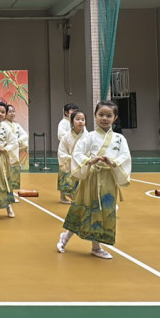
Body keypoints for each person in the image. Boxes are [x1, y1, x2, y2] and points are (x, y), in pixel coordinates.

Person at [56, 100, 131, 260]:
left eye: (109, 115)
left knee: (104, 211)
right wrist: (89, 161)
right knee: (83, 209)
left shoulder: (119, 139)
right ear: (95, 116)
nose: (104, 118)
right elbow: (77, 153)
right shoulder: (89, 137)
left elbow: (125, 156)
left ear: (115, 118)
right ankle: (65, 238)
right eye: (101, 114)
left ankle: (96, 247)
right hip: (91, 178)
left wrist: (113, 162)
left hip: (108, 179)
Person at [57, 109, 87, 204]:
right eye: (77, 119)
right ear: (72, 121)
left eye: (82, 119)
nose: (80, 121)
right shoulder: (66, 136)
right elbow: (62, 150)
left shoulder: (88, 136)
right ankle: (64, 196)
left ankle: (77, 198)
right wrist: (69, 158)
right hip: (69, 161)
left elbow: (90, 150)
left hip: (81, 162)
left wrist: (84, 159)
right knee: (66, 179)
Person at [6, 104, 29, 201]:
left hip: (14, 153)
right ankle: (5, 195)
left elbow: (24, 135)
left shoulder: (17, 125)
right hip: (5, 153)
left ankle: (11, 195)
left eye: (13, 111)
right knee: (5, 175)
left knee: (13, 175)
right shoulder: (2, 125)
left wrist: (18, 141)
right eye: (9, 112)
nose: (12, 113)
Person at [56, 103, 79, 201]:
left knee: (74, 174)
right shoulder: (63, 123)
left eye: (76, 110)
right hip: (66, 151)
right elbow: (60, 135)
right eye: (72, 110)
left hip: (75, 152)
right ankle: (63, 196)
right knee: (64, 174)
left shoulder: (77, 123)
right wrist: (72, 135)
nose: (74, 112)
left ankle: (72, 194)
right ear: (66, 112)